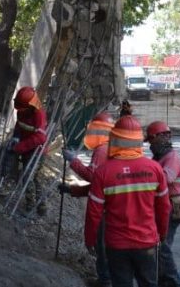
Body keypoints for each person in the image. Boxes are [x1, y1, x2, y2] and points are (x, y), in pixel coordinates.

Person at [85, 116, 171, 287]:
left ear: (114, 138)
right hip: (147, 243)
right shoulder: (155, 169)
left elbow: (93, 213)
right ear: (139, 140)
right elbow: (164, 208)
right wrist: (162, 234)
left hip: (117, 245)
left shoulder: (103, 173)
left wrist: (90, 240)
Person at [62, 111, 115, 286]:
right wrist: (72, 190)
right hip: (113, 204)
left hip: (105, 208)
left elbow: (93, 178)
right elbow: (97, 186)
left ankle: (105, 281)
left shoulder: (102, 150)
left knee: (102, 246)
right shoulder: (113, 148)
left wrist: (73, 161)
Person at [146, 121, 180, 287]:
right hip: (161, 206)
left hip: (170, 206)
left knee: (163, 246)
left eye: (151, 139)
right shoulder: (159, 157)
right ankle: (162, 279)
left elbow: (165, 178)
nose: (150, 144)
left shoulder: (172, 157)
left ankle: (171, 281)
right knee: (157, 246)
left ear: (162, 137)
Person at [6, 86, 49, 215]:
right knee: (34, 178)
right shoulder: (22, 111)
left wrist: (19, 147)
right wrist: (15, 138)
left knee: (28, 176)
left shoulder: (39, 114)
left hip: (37, 150)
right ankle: (42, 206)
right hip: (26, 147)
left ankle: (31, 206)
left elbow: (40, 137)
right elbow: (19, 126)